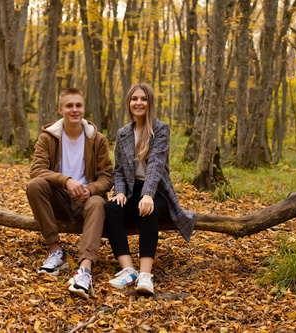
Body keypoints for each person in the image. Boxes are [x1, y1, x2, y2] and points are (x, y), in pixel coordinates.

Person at [104, 83, 197, 295]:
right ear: (129, 103)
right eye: (134, 99)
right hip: (131, 190)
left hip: (158, 191)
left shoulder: (160, 129)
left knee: (147, 210)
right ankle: (129, 271)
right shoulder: (123, 133)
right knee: (110, 208)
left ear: (150, 103)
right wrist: (119, 191)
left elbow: (155, 165)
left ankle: (145, 275)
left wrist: (147, 195)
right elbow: (118, 169)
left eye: (143, 99)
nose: (139, 103)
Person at [26, 88, 113, 299]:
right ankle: (57, 252)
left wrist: (90, 189)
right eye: (69, 106)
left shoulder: (97, 139)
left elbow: (107, 176)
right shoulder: (48, 138)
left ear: (83, 109)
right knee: (35, 185)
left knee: (98, 203)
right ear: (60, 109)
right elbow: (37, 170)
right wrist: (66, 181)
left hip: (87, 201)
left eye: (78, 105)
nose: (74, 109)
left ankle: (84, 269)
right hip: (59, 197)